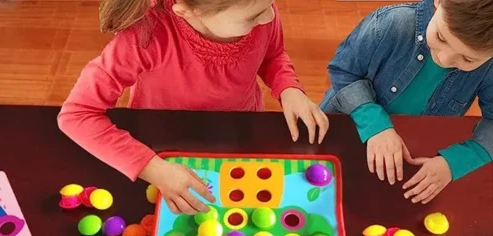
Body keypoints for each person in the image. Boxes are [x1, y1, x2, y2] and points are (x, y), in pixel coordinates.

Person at [58, 0, 328, 214]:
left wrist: (289, 88)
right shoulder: (145, 35)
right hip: (162, 148)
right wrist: (154, 169)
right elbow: (77, 114)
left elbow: (273, 54)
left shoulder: (257, 6)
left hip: (238, 135)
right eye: (252, 17)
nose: (269, 17)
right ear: (187, 12)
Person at [321, 0, 493, 204]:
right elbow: (343, 71)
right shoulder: (392, 23)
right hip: (340, 132)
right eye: (441, 37)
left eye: (468, 59)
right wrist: (375, 125)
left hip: (406, 158)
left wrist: (453, 163)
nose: (444, 59)